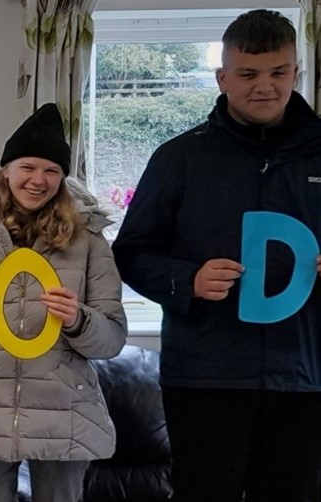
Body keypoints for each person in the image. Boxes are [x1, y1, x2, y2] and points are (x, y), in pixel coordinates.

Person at [112, 10, 321, 501]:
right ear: (222, 77)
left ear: (297, 72)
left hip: (306, 376)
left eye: (278, 72)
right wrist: (187, 281)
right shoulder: (179, 157)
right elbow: (132, 252)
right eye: (248, 74)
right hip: (205, 376)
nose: (264, 87)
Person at [0, 103, 127, 502]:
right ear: (7, 169)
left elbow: (112, 338)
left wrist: (79, 321)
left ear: (63, 178)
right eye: (28, 167)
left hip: (65, 411)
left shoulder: (88, 244)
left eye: (51, 170)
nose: (38, 180)